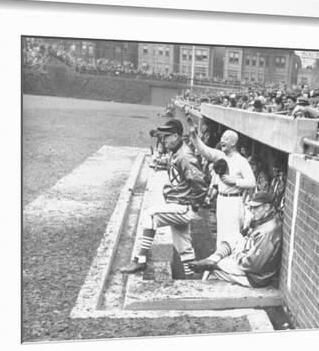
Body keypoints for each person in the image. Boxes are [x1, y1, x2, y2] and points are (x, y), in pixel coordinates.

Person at [121, 119, 207, 277]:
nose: (163, 140)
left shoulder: (185, 156)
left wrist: (193, 207)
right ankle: (192, 280)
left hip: (182, 206)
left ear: (175, 136)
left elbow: (199, 183)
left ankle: (140, 260)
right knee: (184, 246)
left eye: (166, 137)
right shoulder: (177, 151)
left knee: (150, 215)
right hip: (177, 204)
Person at [188, 192, 282, 288]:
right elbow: (247, 237)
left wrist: (236, 255)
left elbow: (252, 265)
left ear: (266, 207)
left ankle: (203, 287)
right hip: (250, 264)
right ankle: (212, 259)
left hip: (255, 277)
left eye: (256, 207)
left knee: (214, 268)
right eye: (251, 208)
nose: (252, 211)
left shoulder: (268, 232)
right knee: (235, 236)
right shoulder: (267, 219)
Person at [186, 117, 255, 245]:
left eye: (225, 139)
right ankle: (219, 261)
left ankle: (229, 262)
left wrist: (235, 182)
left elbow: (252, 182)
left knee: (232, 236)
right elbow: (203, 150)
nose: (221, 140)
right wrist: (193, 134)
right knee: (221, 234)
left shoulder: (241, 161)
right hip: (221, 199)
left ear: (233, 143)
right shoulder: (220, 156)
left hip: (234, 201)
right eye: (222, 138)